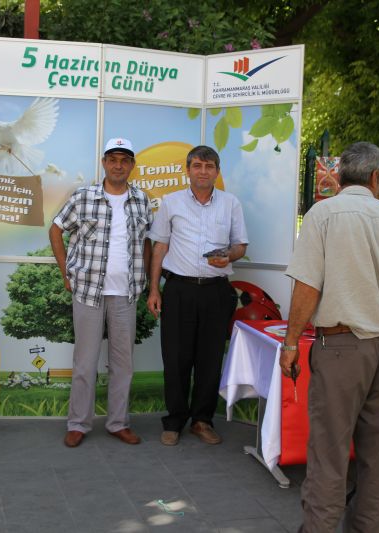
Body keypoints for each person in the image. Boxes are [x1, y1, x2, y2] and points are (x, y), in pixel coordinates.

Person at [279, 142, 379, 533]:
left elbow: (307, 286)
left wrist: (291, 342)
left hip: (342, 349)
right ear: (376, 178)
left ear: (339, 175)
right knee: (378, 458)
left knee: (329, 454)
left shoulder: (324, 213)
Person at [50, 138, 153, 448]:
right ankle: (78, 423)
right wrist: (64, 270)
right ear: (104, 163)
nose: (118, 164)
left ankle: (118, 423)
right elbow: (56, 230)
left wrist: (145, 277)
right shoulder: (83, 197)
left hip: (126, 295)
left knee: (123, 363)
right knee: (85, 361)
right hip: (89, 292)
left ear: (132, 165)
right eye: (113, 159)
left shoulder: (141, 200)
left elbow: (147, 241)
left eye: (124, 159)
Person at [147, 145, 248, 446]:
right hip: (179, 289)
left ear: (217, 171)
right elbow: (160, 246)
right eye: (197, 165)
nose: (203, 171)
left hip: (216, 292)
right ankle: (174, 421)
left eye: (209, 166)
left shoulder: (230, 204)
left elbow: (241, 245)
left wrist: (229, 255)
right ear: (188, 170)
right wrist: (154, 288)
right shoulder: (171, 202)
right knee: (176, 358)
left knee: (209, 359)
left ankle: (202, 421)